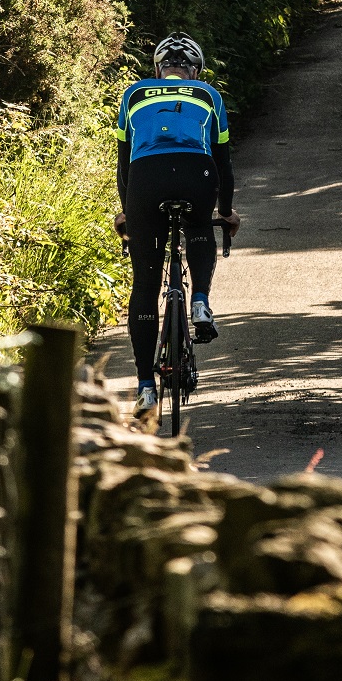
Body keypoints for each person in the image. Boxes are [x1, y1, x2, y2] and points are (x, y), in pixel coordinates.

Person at [114, 34, 241, 416]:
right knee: (200, 225)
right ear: (196, 70)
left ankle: (145, 387)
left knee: (145, 284)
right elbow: (223, 163)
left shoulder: (133, 94)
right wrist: (228, 210)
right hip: (195, 173)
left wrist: (128, 212)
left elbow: (124, 165)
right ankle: (200, 301)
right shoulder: (208, 95)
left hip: (145, 179)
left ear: (157, 69)